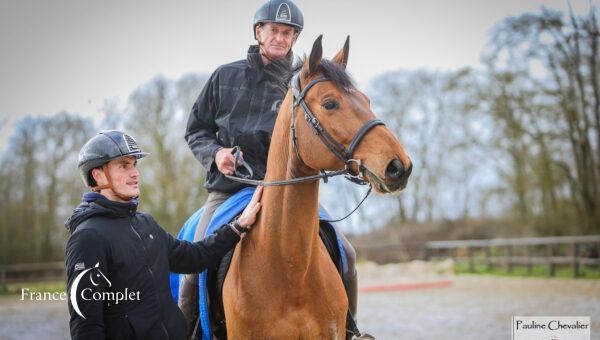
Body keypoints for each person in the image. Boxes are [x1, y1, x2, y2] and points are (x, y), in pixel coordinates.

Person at [183, 0, 368, 338]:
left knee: (348, 254)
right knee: (196, 266)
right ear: (259, 32)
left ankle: (349, 330)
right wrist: (216, 153)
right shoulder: (225, 76)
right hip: (230, 189)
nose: (281, 38)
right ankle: (191, 331)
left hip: (287, 191)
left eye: (289, 33)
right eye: (274, 31)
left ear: (295, 38)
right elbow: (196, 129)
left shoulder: (304, 84)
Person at [65, 130, 263, 339]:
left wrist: (237, 227)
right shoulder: (87, 238)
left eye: (134, 165)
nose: (135, 173)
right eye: (124, 165)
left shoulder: (146, 224)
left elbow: (194, 257)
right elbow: (86, 326)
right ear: (98, 175)